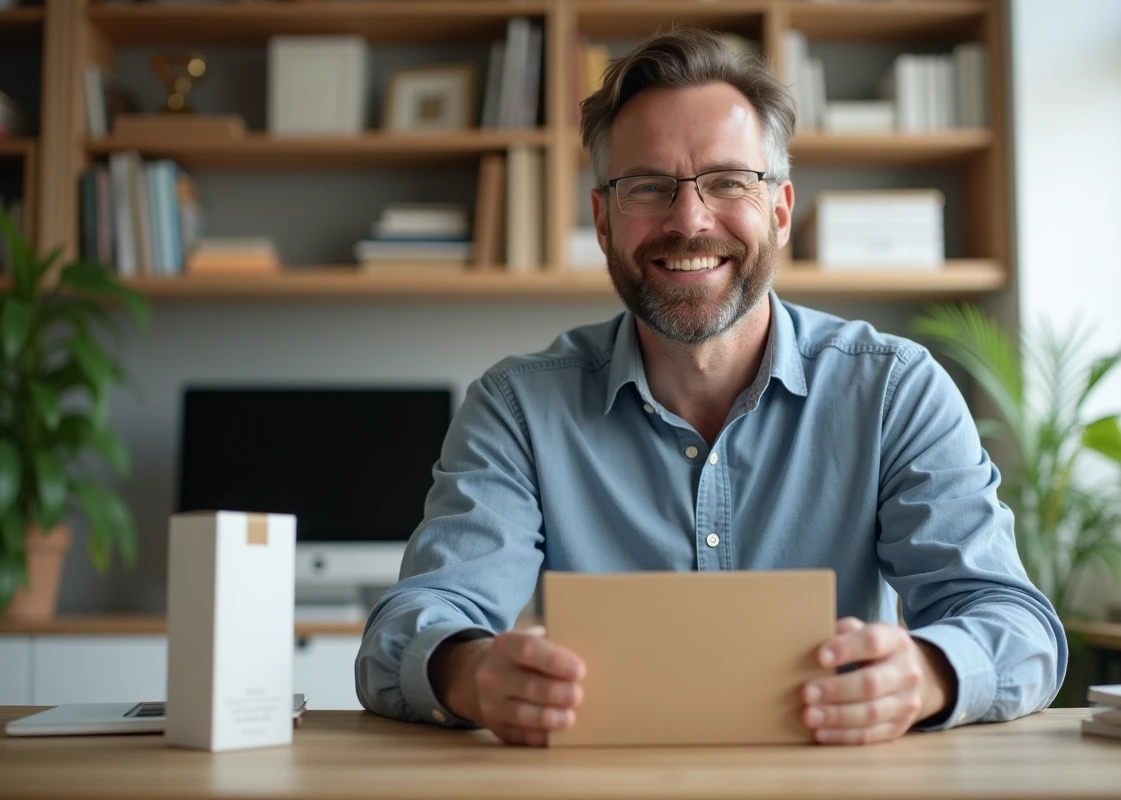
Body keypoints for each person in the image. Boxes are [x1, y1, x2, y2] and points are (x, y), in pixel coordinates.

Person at [356, 28, 1066, 748]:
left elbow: (1015, 624)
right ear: (603, 221)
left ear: (781, 211)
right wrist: (470, 671)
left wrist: (928, 675)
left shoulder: (894, 390)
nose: (689, 220)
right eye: (647, 187)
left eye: (729, 182)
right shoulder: (516, 409)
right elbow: (410, 627)